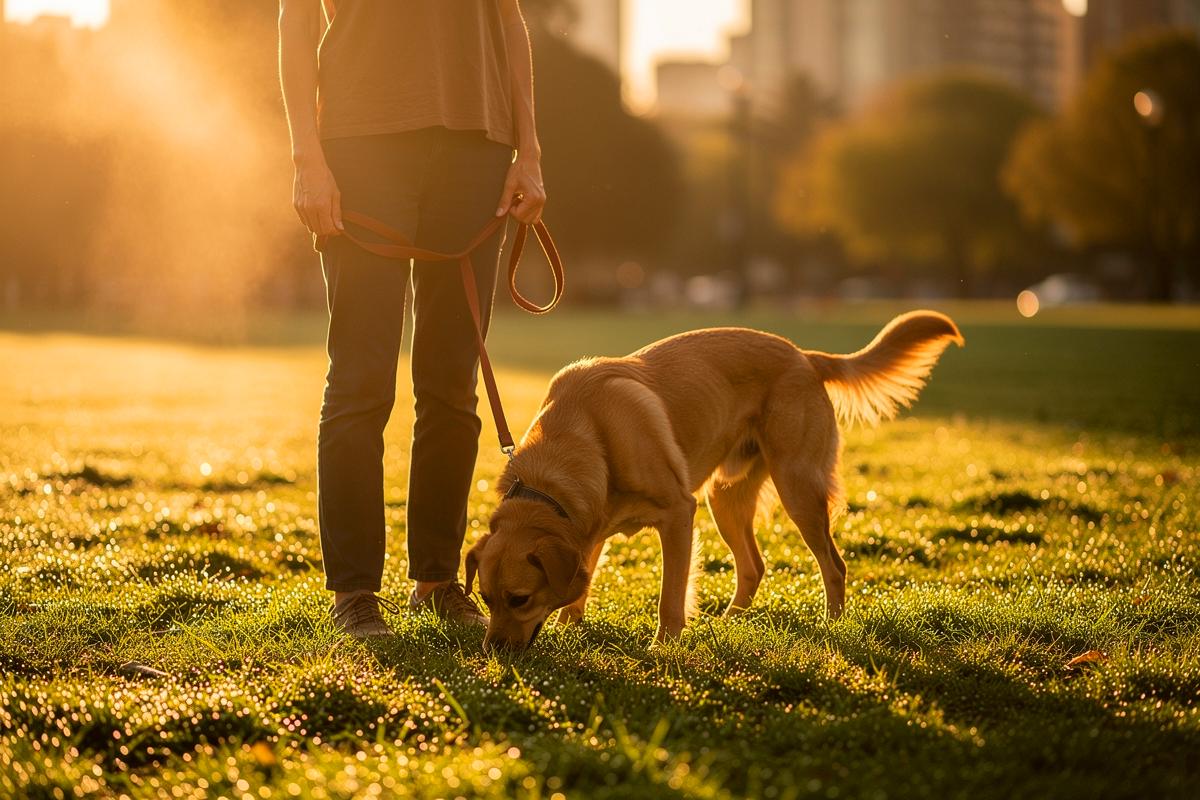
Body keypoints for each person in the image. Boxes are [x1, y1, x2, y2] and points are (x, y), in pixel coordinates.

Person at [278, 0, 547, 637]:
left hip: (477, 145)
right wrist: (306, 160)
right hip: (361, 142)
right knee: (360, 381)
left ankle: (436, 579)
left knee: (453, 382)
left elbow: (508, 22)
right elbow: (295, 20)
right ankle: (355, 591)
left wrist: (529, 151)